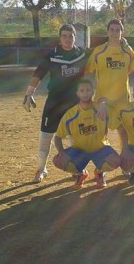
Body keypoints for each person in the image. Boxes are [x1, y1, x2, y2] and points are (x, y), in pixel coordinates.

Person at [23, 24, 91, 183]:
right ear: (60, 38)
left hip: (75, 103)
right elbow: (38, 74)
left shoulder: (82, 54)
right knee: (46, 136)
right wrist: (29, 93)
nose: (68, 39)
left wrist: (124, 43)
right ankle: (41, 169)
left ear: (75, 37)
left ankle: (77, 168)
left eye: (71, 36)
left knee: (75, 137)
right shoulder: (52, 55)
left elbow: (103, 52)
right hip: (54, 102)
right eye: (64, 36)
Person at [52, 79, 122, 189]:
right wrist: (61, 153)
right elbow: (57, 137)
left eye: (88, 90)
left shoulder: (101, 109)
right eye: (82, 90)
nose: (85, 93)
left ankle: (99, 172)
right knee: (58, 161)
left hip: (100, 148)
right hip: (79, 151)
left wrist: (104, 104)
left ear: (93, 92)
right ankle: (81, 173)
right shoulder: (70, 114)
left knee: (116, 161)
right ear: (77, 93)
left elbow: (119, 126)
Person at [86, 19, 134, 109]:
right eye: (111, 30)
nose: (114, 33)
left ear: (122, 32)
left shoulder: (128, 51)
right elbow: (87, 70)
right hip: (102, 100)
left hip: (122, 99)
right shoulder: (98, 51)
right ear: (107, 32)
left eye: (117, 30)